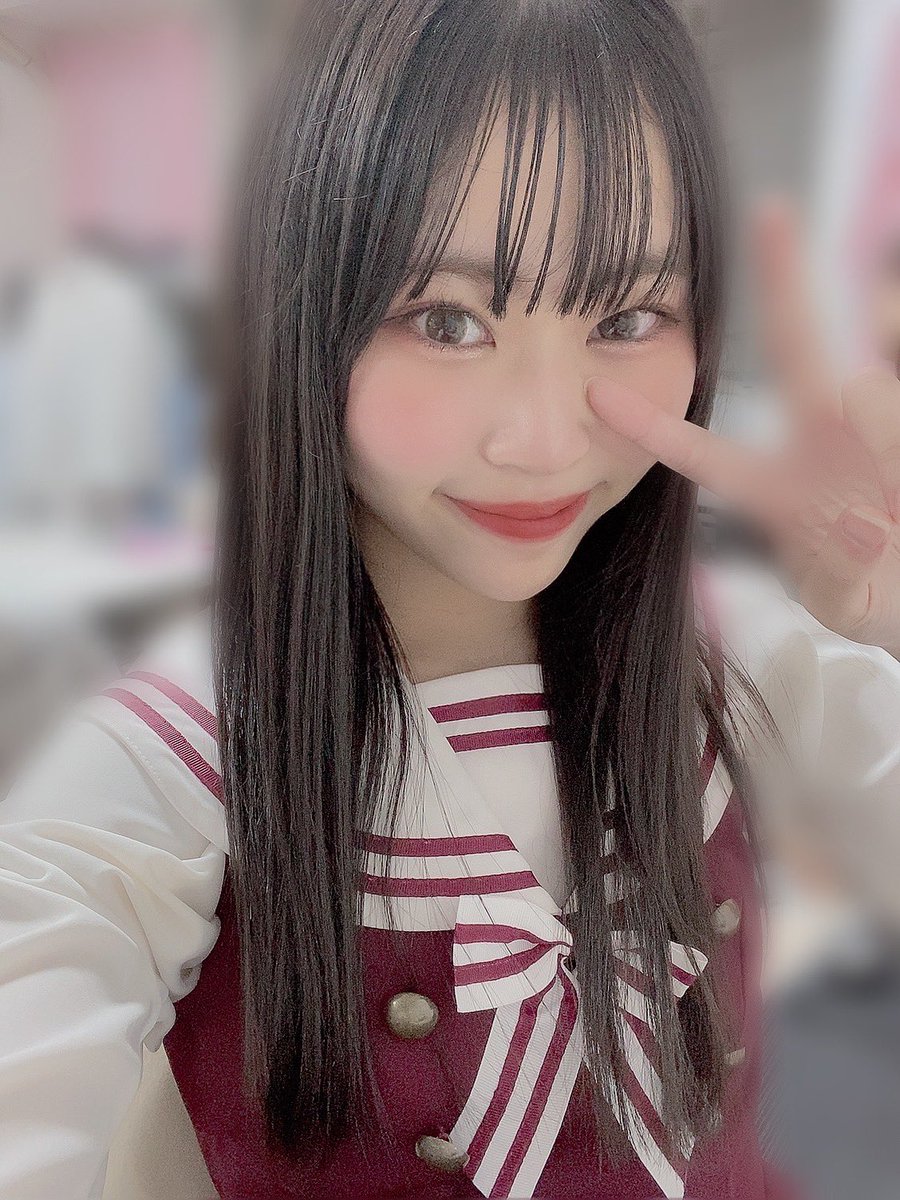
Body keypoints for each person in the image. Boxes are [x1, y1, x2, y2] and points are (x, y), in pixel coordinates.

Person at [1, 2, 900, 1198]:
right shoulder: (184, 751)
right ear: (301, 307)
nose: (544, 440)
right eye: (446, 320)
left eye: (626, 317)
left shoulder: (736, 652)